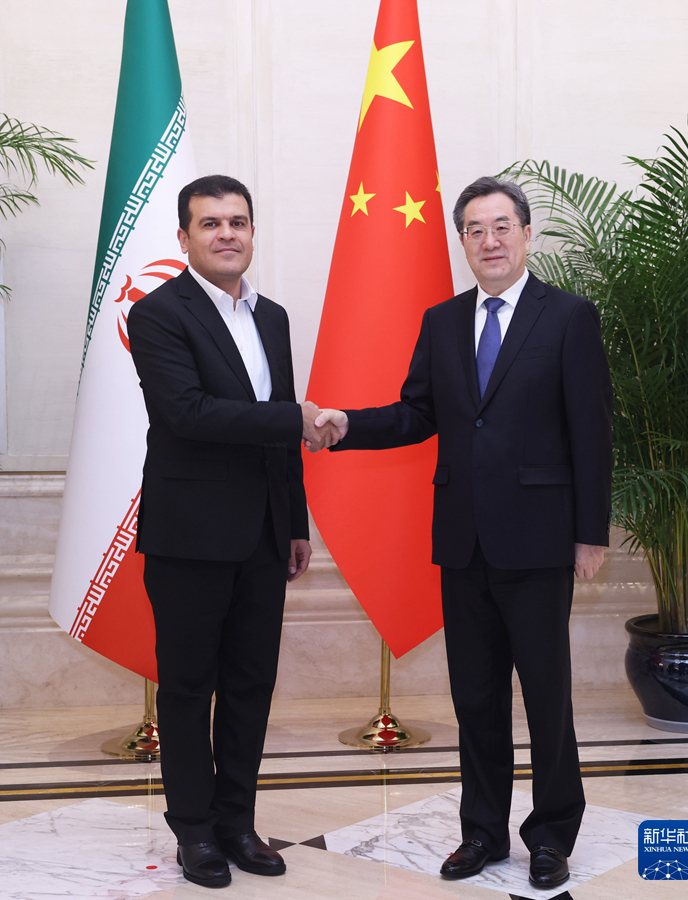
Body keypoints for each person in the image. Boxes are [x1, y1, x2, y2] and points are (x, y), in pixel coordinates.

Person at [311, 177, 612, 889]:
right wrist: (348, 424)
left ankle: (551, 835)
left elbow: (591, 430)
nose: (490, 240)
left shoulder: (568, 316)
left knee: (546, 697)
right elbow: (417, 413)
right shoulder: (443, 321)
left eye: (502, 226)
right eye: (475, 229)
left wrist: (590, 532)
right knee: (475, 696)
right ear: (463, 242)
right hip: (463, 540)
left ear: (527, 234)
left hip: (539, 539)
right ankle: (482, 832)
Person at [127, 175, 337, 889]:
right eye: (210, 223)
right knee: (189, 688)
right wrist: (296, 418)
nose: (226, 234)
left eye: (238, 222)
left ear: (252, 232)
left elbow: (277, 424)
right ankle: (193, 831)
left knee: (251, 684)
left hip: (264, 535)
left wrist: (294, 520)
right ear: (184, 238)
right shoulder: (158, 313)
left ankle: (237, 823)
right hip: (189, 535)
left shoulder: (272, 316)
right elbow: (187, 412)